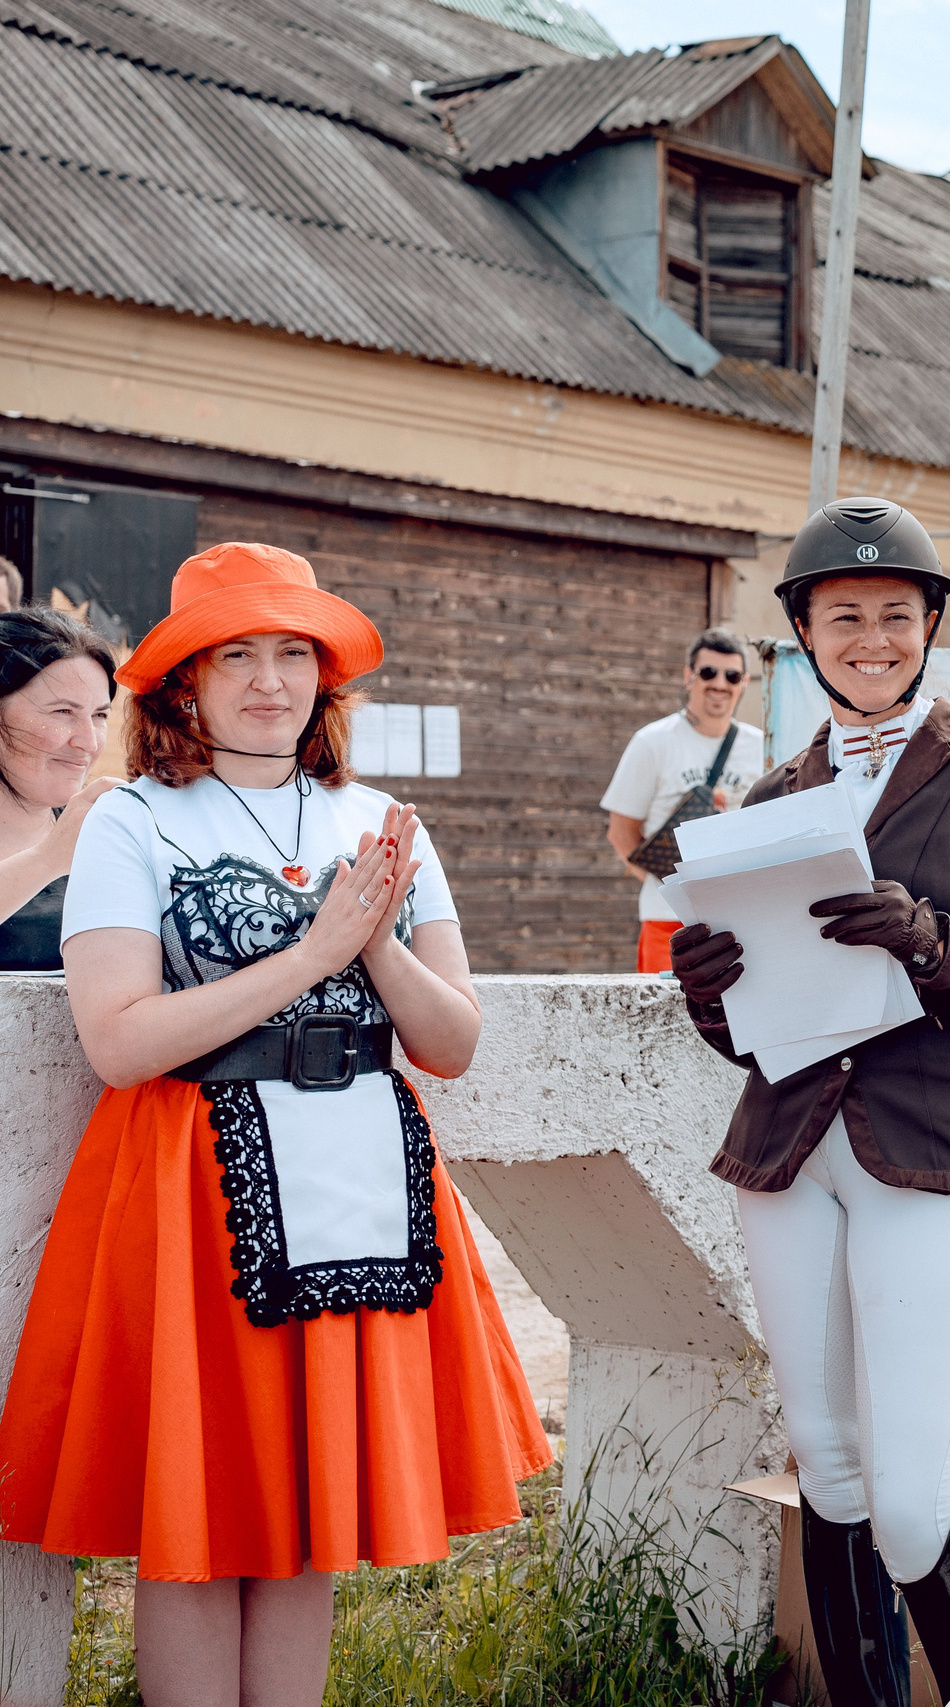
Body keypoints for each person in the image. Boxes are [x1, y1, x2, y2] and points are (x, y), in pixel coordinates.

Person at [0, 543, 551, 1707]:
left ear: (323, 674)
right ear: (184, 685)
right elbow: (120, 1039)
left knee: (310, 1514)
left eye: (290, 651)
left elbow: (451, 1043)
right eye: (234, 654)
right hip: (197, 1184)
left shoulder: (387, 823)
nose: (267, 679)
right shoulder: (134, 823)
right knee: (201, 1514)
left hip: (362, 1171)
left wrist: (377, 940)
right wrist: (312, 952)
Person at [664, 498, 950, 1707]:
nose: (870, 638)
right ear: (801, 629)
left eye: (894, 617)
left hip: (936, 1150)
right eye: (842, 616)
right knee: (833, 1472)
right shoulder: (767, 798)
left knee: (911, 1492)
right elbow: (751, 1039)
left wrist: (932, 943)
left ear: (928, 627)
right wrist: (711, 992)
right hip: (790, 1154)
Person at [601, 626, 764, 973]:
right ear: (689, 676)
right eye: (708, 672)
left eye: (731, 675)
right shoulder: (653, 742)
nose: (720, 683)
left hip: (744, 920)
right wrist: (667, 886)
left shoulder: (762, 747)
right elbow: (621, 832)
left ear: (744, 683)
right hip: (668, 922)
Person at [0, 606, 118, 968]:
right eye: (62, 713)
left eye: (99, 715)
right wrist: (48, 859)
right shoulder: (62, 847)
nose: (88, 742)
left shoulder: (102, 832)